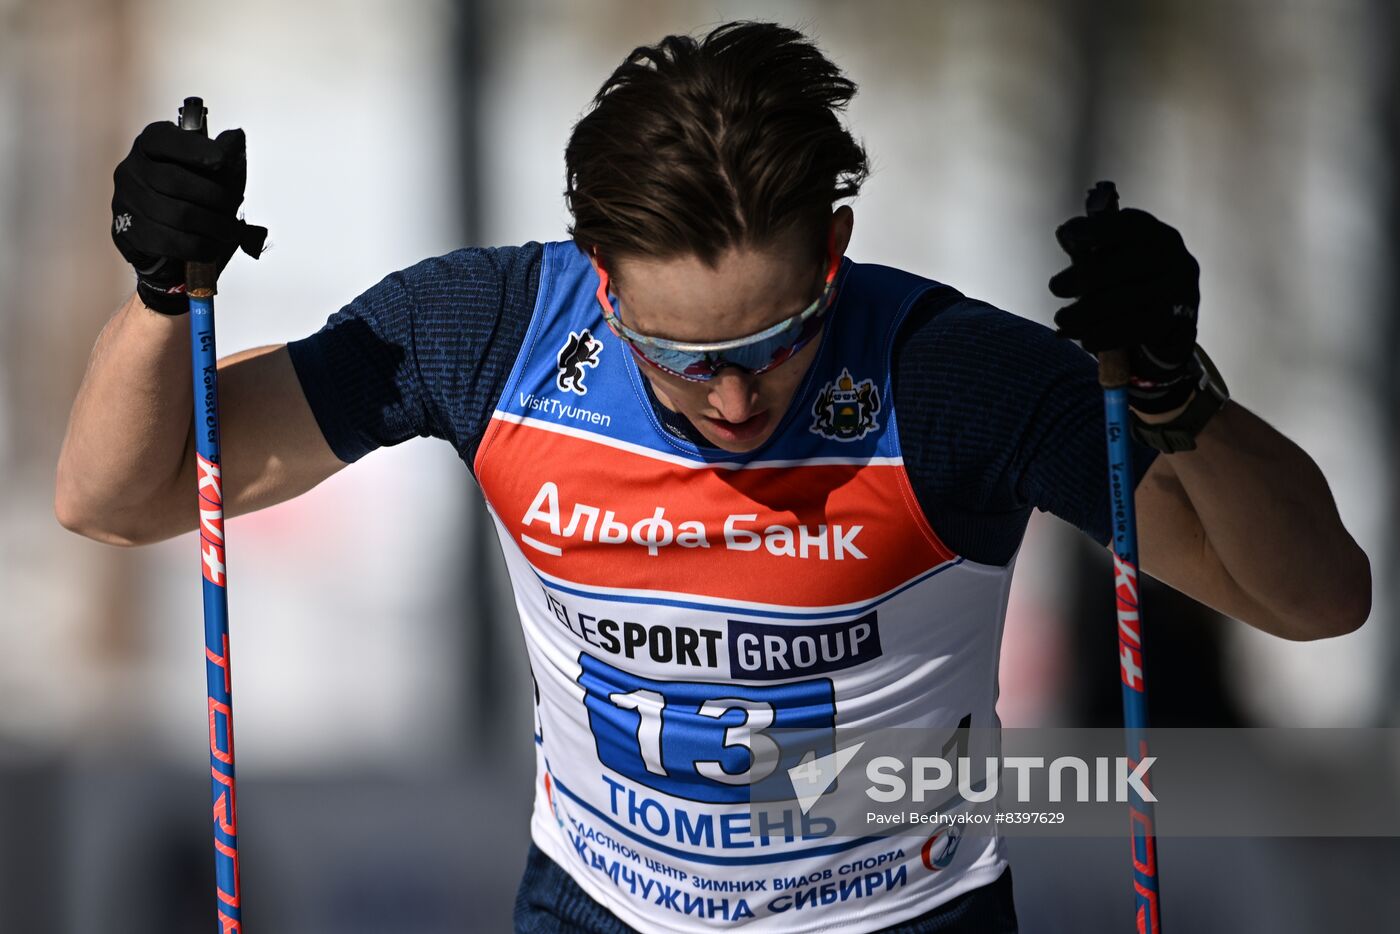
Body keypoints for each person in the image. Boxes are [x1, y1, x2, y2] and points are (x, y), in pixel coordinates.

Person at [57, 21, 1370, 934]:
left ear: (835, 251)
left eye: (779, 339)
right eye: (683, 356)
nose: (735, 398)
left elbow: (1315, 598)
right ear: (602, 275)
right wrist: (161, 299)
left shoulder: (949, 378)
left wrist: (1174, 391)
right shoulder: (490, 333)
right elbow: (119, 497)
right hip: (603, 905)